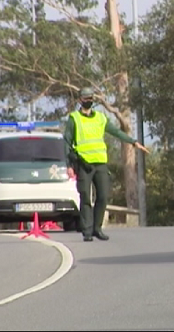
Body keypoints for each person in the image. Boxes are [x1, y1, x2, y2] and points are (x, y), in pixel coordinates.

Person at [64, 87, 150, 242]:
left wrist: (133, 142)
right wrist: (69, 165)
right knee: (85, 197)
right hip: (83, 164)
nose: (88, 101)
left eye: (90, 98)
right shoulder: (74, 118)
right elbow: (67, 143)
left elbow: (116, 132)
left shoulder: (101, 118)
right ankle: (87, 231)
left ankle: (97, 228)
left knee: (103, 196)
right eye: (85, 98)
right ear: (79, 101)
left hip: (100, 164)